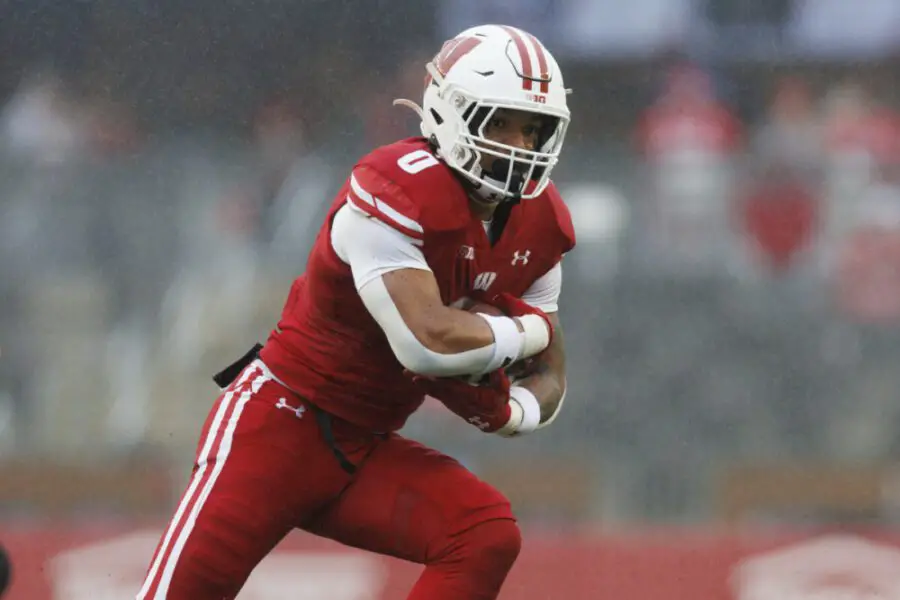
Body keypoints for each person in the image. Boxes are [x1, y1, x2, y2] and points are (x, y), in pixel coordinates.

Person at [137, 24, 575, 600]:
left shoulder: (541, 223)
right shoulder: (393, 188)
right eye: (503, 123)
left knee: (484, 532)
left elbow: (548, 371)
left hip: (365, 443)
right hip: (278, 426)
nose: (520, 144)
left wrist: (515, 413)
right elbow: (426, 342)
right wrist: (527, 330)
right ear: (453, 111)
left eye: (534, 128)